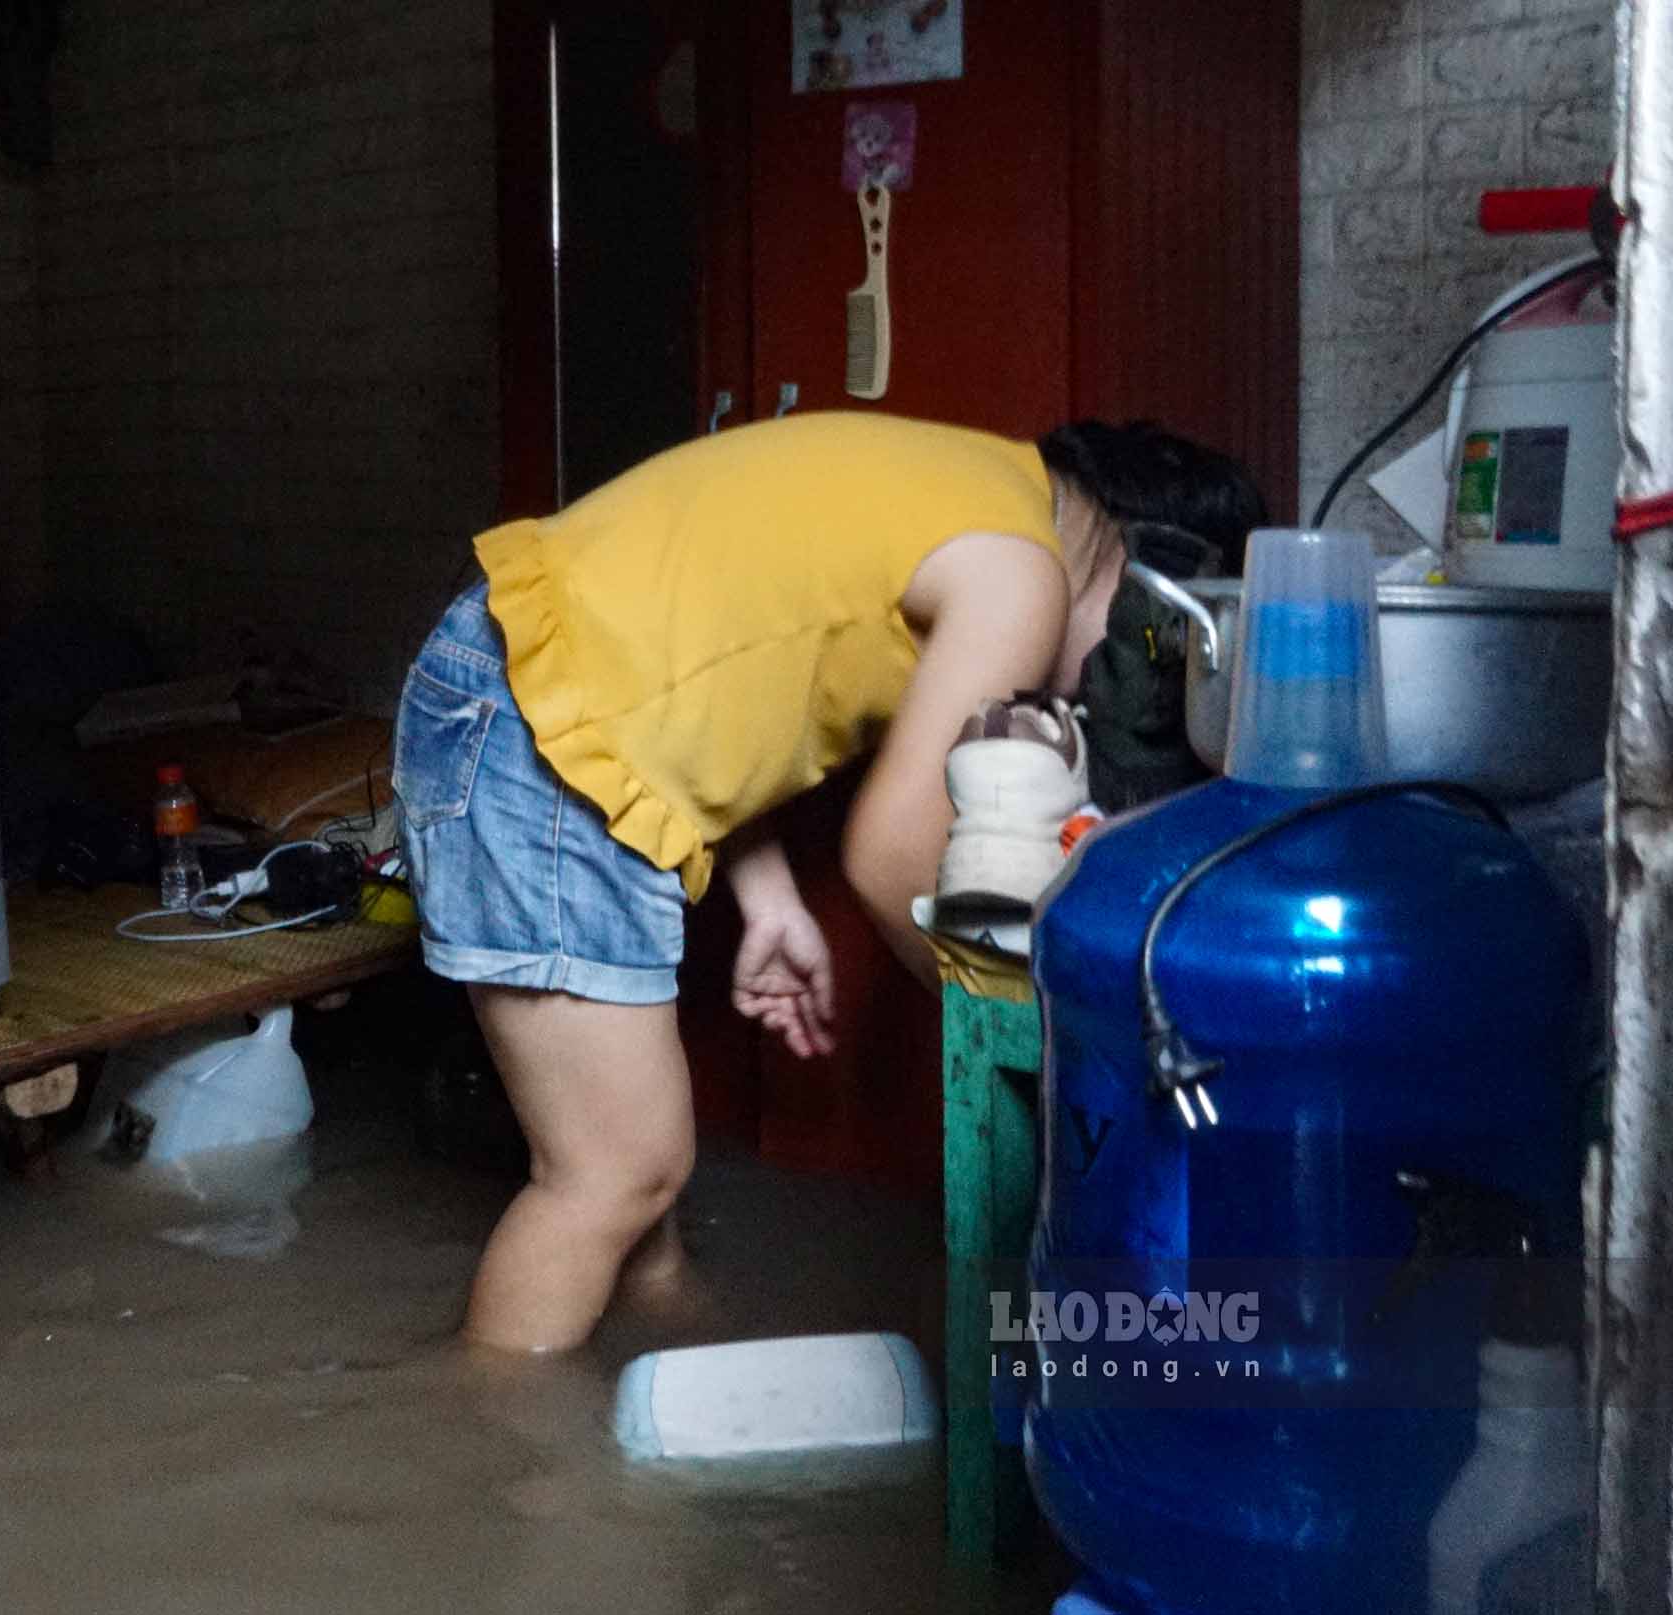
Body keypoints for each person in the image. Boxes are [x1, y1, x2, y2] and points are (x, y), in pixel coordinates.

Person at [392, 412, 1265, 1352]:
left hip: (534, 689)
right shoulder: (1023, 574)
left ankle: (654, 1361)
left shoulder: (977, 490)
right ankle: (483, 1426)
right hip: (534, 722)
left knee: (632, 1176)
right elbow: (889, 856)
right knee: (617, 1171)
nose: (1100, 695)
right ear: (1144, 571)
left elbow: (712, 661)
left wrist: (769, 896)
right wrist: (1034, 1023)